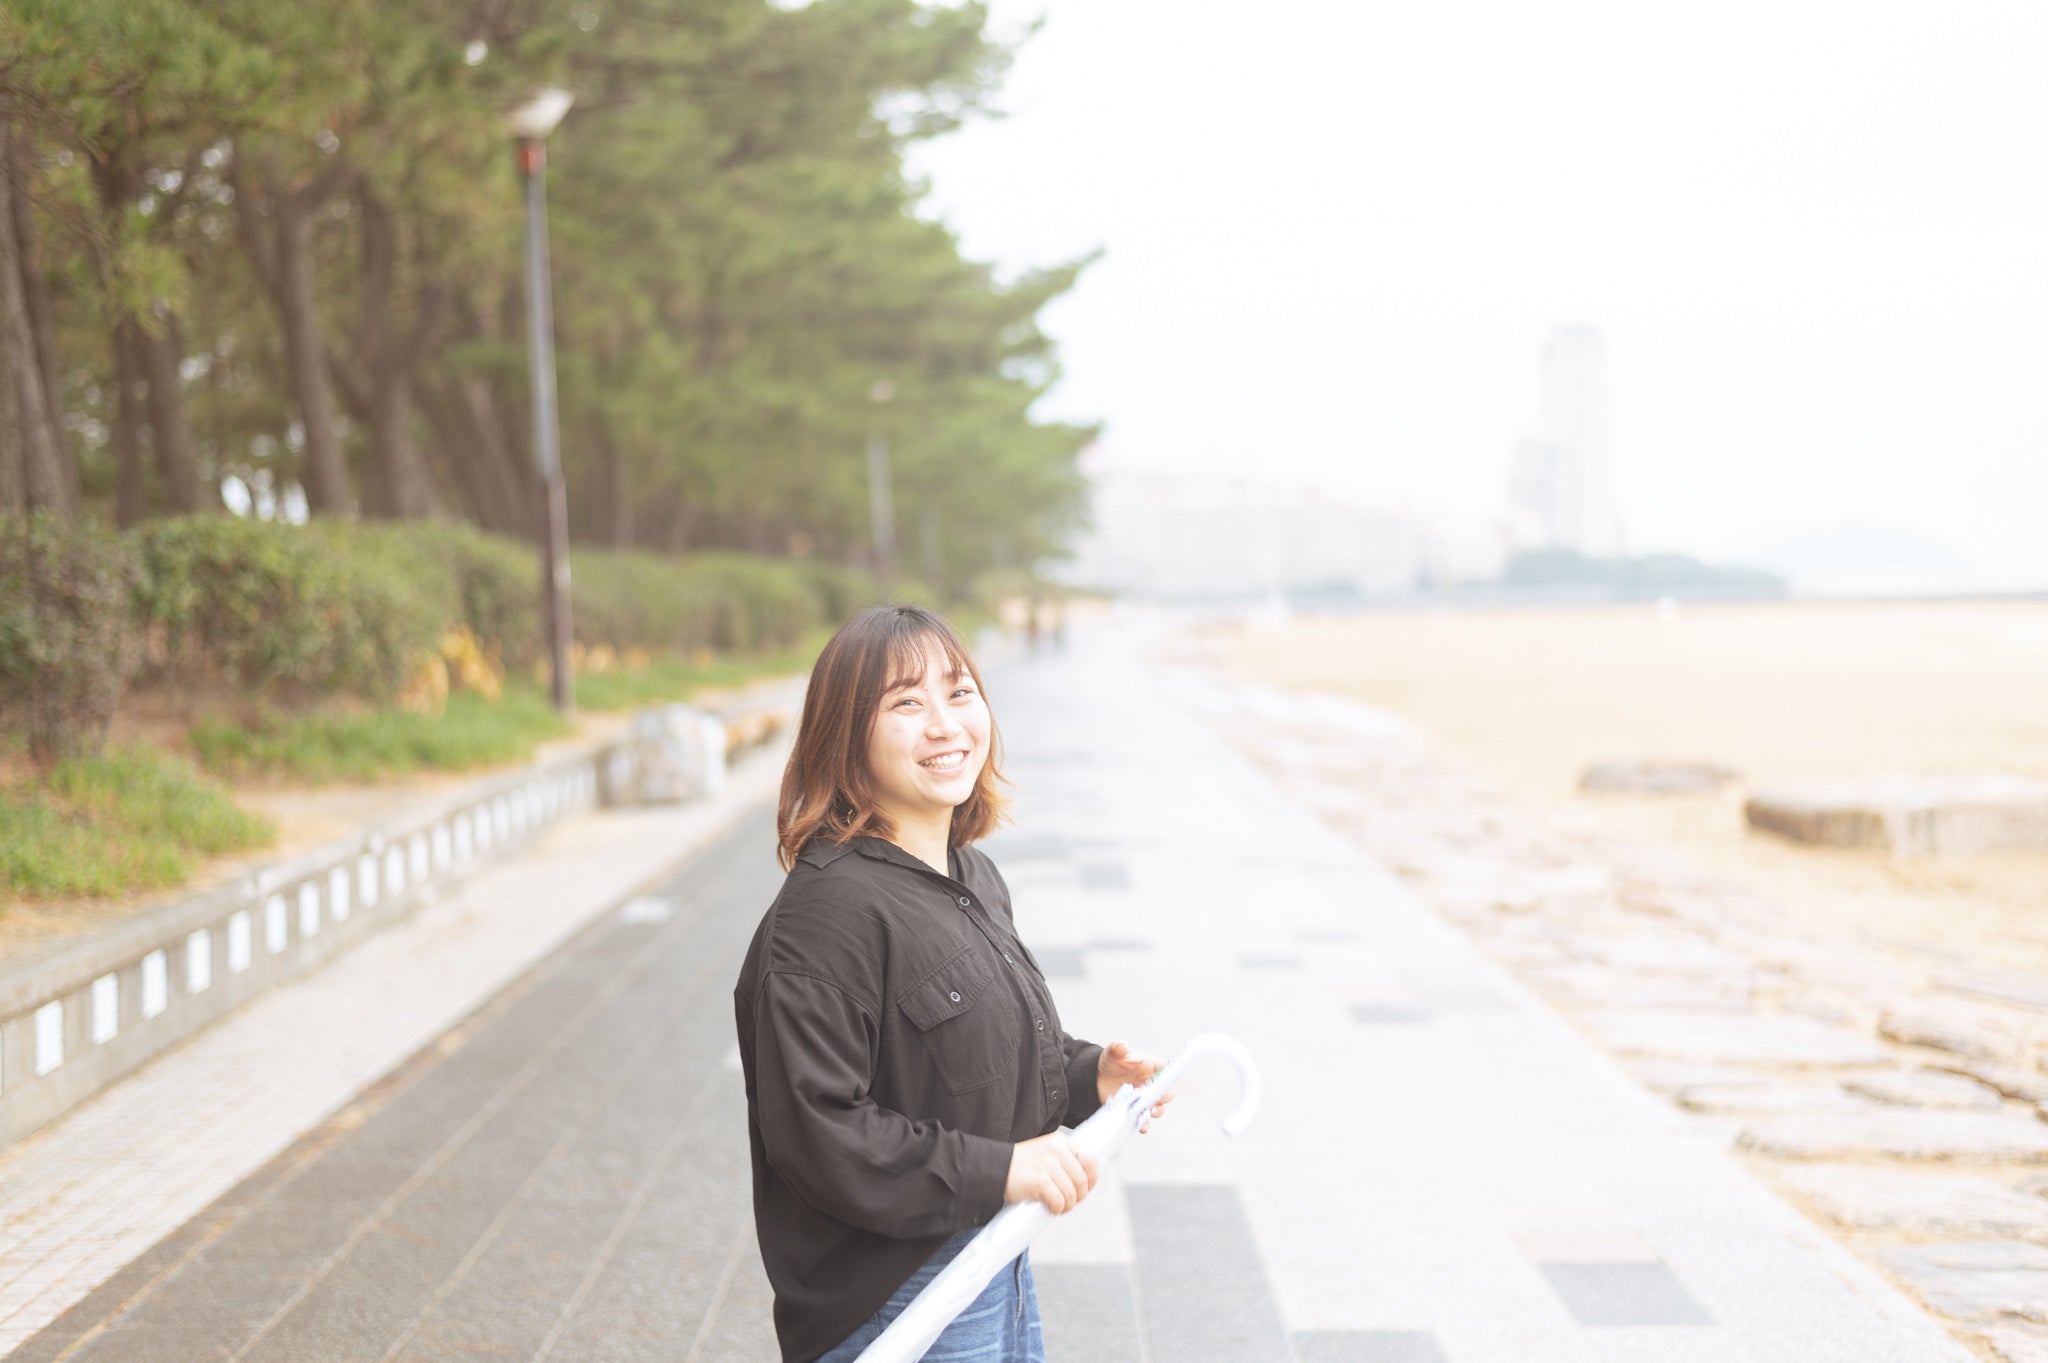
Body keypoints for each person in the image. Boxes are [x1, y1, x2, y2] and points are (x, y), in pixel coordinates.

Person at [733, 605, 1171, 1363]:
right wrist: (1004, 1168)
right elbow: (819, 1135)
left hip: (992, 1260)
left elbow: (971, 1051)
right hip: (894, 1303)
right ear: (847, 735)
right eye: (907, 703)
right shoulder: (825, 914)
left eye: (960, 693)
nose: (945, 725)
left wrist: (1087, 1076)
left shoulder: (972, 873)